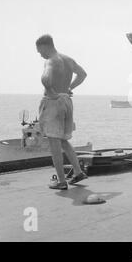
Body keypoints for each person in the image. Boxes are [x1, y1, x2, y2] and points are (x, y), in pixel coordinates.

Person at [36, 34, 88, 190]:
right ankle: (78, 172)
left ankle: (61, 181)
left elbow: (45, 78)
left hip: (54, 103)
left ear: (45, 46)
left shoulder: (50, 61)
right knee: (63, 140)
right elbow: (83, 74)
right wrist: (70, 87)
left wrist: (50, 91)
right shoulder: (67, 60)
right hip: (66, 101)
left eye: (40, 51)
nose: (40, 55)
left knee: (54, 143)